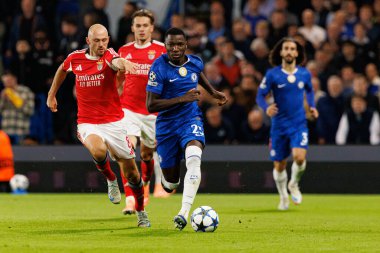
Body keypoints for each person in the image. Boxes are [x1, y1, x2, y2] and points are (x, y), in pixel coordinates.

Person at [46, 24, 150, 227]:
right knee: (98, 150)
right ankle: (111, 180)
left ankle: (141, 211)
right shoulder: (75, 58)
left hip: (115, 123)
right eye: (97, 41)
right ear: (88, 41)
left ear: (108, 40)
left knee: (132, 174)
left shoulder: (110, 55)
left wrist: (124, 64)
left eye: (104, 40)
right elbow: (62, 70)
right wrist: (51, 95)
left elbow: (116, 61)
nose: (101, 44)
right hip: (88, 123)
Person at [146, 27, 227, 230]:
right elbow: (151, 105)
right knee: (171, 183)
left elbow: (198, 75)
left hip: (191, 119)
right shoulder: (158, 68)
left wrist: (213, 92)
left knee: (193, 156)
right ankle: (168, 181)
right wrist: (182, 98)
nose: (175, 48)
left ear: (185, 45)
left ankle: (183, 213)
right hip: (166, 127)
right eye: (171, 44)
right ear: (165, 46)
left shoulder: (196, 62)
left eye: (179, 44)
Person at [256, 37, 319, 211]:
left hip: (299, 123)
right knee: (279, 164)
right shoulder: (273, 74)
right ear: (281, 52)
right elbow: (260, 95)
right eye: (286, 48)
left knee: (299, 157)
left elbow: (309, 90)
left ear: (297, 53)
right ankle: (283, 195)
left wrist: (312, 106)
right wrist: (266, 107)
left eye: (292, 48)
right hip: (279, 126)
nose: (289, 51)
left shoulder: (304, 73)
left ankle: (294, 184)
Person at [117, 9, 168, 215]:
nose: (141, 29)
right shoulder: (123, 51)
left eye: (145, 25)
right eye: (137, 25)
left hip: (152, 112)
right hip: (128, 109)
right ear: (132, 28)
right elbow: (118, 79)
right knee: (127, 151)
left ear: (152, 28)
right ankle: (130, 198)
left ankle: (144, 187)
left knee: (147, 154)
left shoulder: (162, 51)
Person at [0, 70, 35, 145]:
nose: (7, 83)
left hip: (20, 130)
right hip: (6, 130)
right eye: (5, 81)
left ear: (14, 79)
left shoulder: (25, 91)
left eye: (9, 80)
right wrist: (2, 100)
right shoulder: (3, 93)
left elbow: (30, 111)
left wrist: (15, 99)